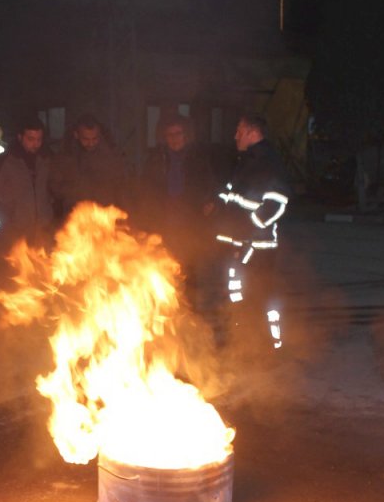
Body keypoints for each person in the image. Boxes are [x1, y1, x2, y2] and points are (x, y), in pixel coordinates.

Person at [207, 113, 291, 350]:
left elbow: (277, 201)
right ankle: (242, 344)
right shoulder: (246, 161)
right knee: (236, 295)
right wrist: (217, 205)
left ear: (253, 133)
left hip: (256, 246)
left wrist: (251, 226)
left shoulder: (267, 162)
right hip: (238, 243)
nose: (235, 136)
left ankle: (269, 348)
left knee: (260, 296)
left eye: (239, 131)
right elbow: (235, 195)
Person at [137, 112, 215, 266]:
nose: (174, 138)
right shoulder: (156, 158)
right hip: (164, 216)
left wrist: (208, 202)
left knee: (189, 259)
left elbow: (208, 184)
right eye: (169, 134)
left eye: (178, 134)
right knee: (163, 259)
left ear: (185, 135)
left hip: (190, 216)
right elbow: (146, 187)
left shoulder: (198, 157)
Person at [0, 116, 53, 244]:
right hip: (15, 231)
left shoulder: (47, 159)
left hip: (43, 230)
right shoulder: (4, 161)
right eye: (31, 139)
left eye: (39, 139)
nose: (35, 144)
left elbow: (53, 189)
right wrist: (12, 211)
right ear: (20, 137)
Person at [49, 113, 129, 221]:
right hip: (75, 220)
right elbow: (55, 188)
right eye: (86, 139)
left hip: (104, 219)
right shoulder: (65, 158)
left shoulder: (111, 157)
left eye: (94, 139)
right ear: (76, 135)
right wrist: (76, 192)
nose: (91, 143)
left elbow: (121, 187)